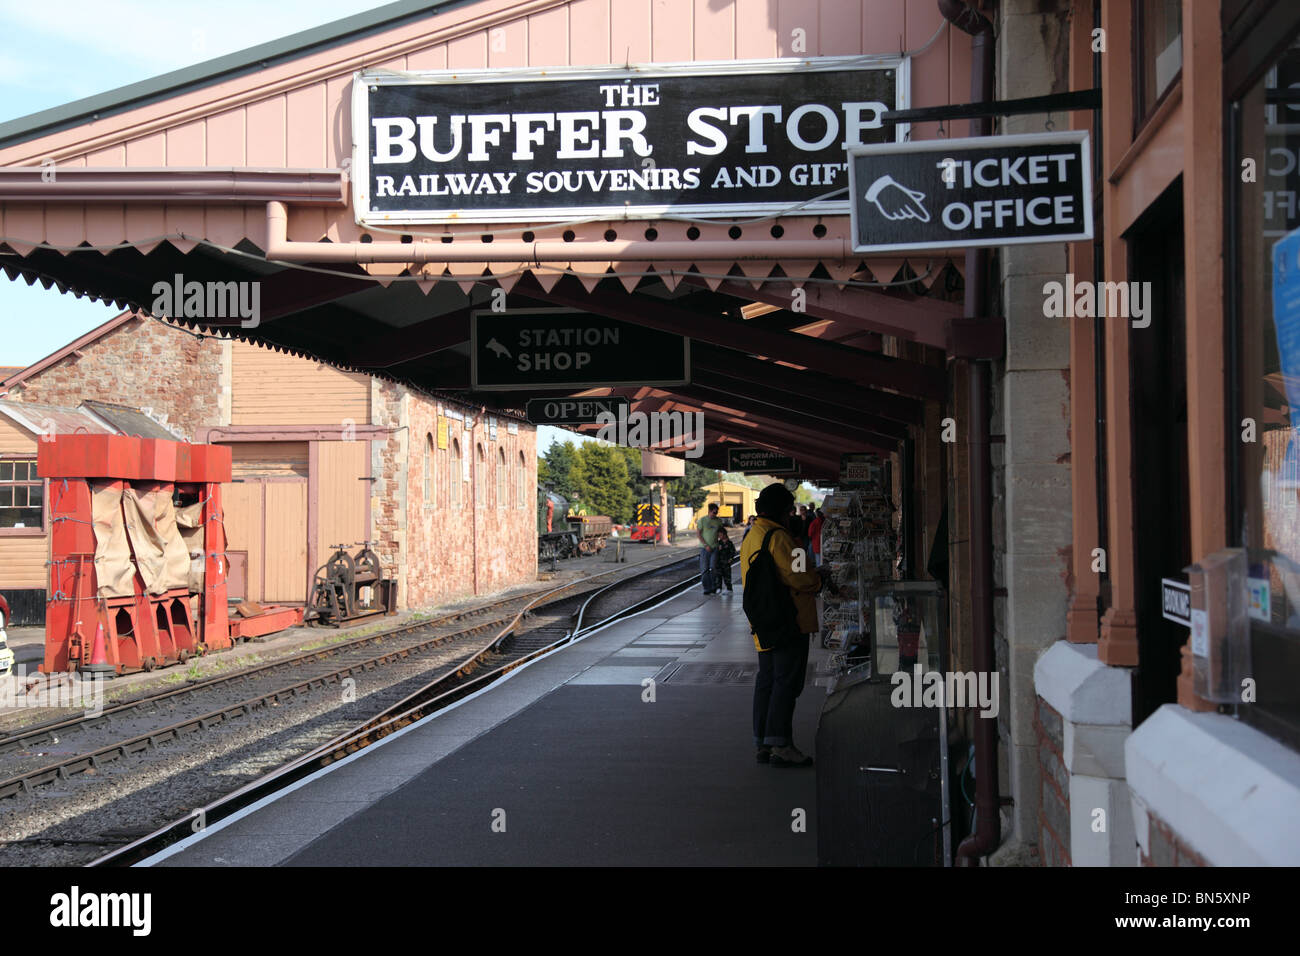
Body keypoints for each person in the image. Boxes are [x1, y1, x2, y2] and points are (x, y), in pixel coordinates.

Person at [740, 483, 823, 768]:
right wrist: (820, 580)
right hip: (789, 620)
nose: (791, 515)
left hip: (763, 620)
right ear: (781, 511)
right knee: (786, 683)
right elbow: (800, 577)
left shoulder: (753, 535)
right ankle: (781, 745)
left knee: (767, 680)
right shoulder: (781, 537)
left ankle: (763, 741)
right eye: (789, 510)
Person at [697, 502, 725, 595]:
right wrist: (706, 545)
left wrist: (722, 543)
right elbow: (698, 534)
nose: (715, 514)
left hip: (715, 548)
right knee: (704, 569)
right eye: (714, 512)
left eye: (716, 512)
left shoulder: (718, 521)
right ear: (709, 511)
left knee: (713, 568)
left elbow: (722, 533)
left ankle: (713, 587)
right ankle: (706, 588)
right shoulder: (702, 520)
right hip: (704, 548)